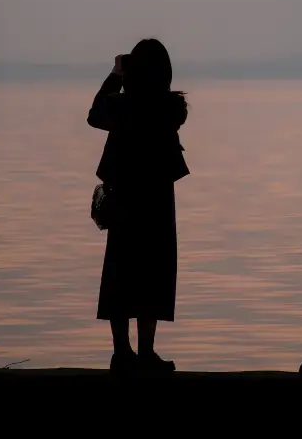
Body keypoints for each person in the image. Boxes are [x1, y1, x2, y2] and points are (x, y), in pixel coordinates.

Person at [87, 38, 189, 373]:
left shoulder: (122, 107)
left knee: (121, 273)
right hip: (157, 202)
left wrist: (116, 76)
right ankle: (146, 352)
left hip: (126, 199)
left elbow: (94, 114)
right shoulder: (170, 108)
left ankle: (122, 354)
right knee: (153, 274)